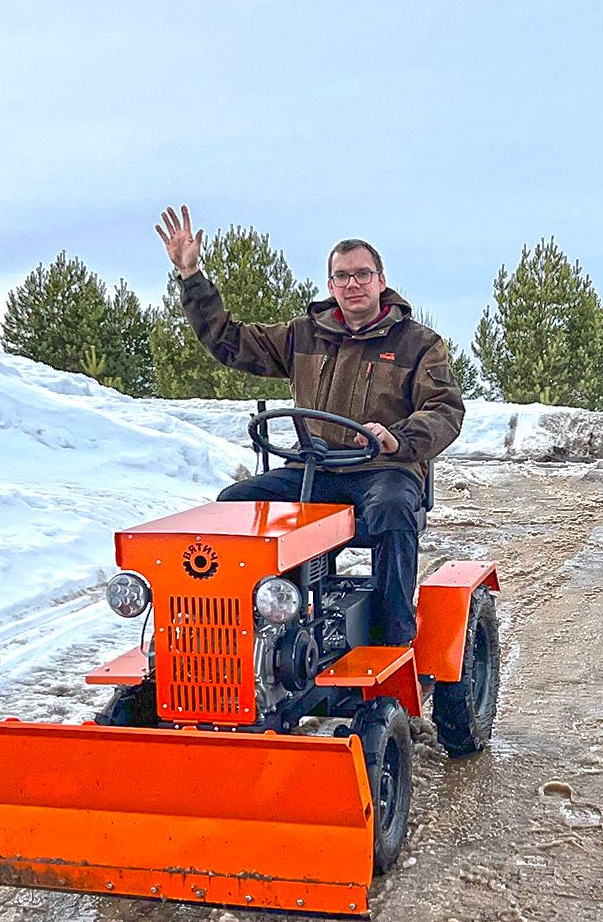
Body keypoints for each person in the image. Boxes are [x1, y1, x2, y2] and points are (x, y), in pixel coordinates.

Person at [156, 205, 464, 646]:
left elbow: (445, 410)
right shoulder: (304, 334)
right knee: (234, 503)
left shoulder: (418, 343)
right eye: (342, 276)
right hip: (315, 470)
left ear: (380, 280)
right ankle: (245, 629)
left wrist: (397, 439)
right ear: (330, 285)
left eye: (362, 274)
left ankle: (393, 642)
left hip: (382, 471)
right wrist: (191, 277)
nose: (352, 284)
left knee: (393, 513)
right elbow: (229, 341)